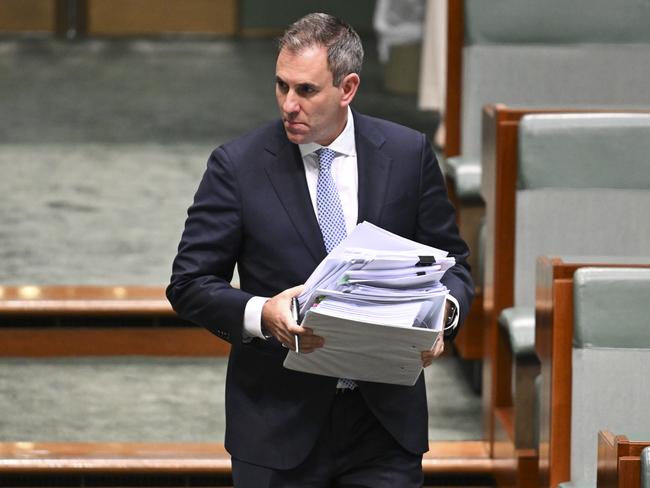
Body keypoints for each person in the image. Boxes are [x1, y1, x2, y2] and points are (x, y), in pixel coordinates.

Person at [167, 12, 473, 488]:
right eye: (281, 86)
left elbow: (454, 265)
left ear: (347, 88)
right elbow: (189, 284)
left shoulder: (407, 154)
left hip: (384, 426)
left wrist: (442, 316)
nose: (289, 104)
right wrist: (261, 311)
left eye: (306, 90)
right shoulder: (238, 165)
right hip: (277, 427)